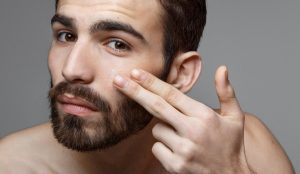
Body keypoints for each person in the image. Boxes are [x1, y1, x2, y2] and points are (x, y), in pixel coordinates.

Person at [0, 0, 295, 173]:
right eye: (66, 35)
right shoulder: (10, 165)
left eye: (117, 43)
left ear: (180, 73)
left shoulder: (246, 147)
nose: (71, 69)